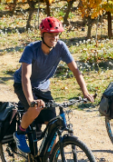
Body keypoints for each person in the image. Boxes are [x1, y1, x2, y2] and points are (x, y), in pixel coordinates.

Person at [13, 17, 94, 153]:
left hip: (43, 86)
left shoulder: (61, 47)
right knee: (35, 109)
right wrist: (31, 101)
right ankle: (20, 133)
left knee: (53, 124)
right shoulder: (31, 49)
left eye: (56, 35)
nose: (54, 38)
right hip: (23, 84)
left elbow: (75, 70)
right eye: (50, 34)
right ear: (42, 35)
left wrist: (85, 92)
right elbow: (25, 77)